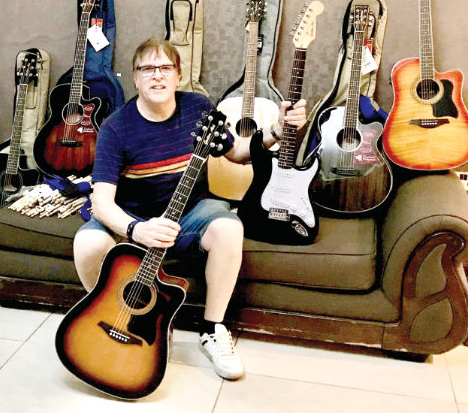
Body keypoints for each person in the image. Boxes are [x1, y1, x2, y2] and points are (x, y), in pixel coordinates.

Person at [72, 38, 306, 380]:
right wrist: (138, 230)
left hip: (189, 214)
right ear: (135, 79)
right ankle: (111, 315)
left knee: (229, 227)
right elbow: (101, 202)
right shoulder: (115, 128)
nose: (157, 76)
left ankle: (212, 329)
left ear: (178, 75)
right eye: (147, 69)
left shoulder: (198, 108)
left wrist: (276, 130)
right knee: (87, 243)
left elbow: (237, 152)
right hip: (133, 220)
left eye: (165, 68)